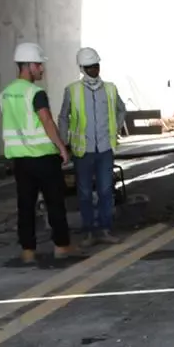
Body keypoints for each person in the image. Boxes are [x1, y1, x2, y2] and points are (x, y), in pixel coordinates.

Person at [2, 43, 74, 263]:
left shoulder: (6, 94)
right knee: (54, 203)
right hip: (43, 157)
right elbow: (46, 121)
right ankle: (61, 247)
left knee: (25, 206)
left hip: (20, 160)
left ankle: (28, 251)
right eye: (39, 65)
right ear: (29, 65)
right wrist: (62, 147)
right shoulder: (35, 93)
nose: (42, 69)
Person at [59, 47, 126, 246]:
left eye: (96, 66)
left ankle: (104, 229)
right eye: (89, 67)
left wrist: (116, 129)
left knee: (106, 190)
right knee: (85, 192)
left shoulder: (111, 89)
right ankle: (89, 231)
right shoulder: (72, 90)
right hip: (83, 150)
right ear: (82, 68)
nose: (94, 70)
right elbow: (63, 116)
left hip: (105, 148)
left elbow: (121, 110)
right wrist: (64, 143)